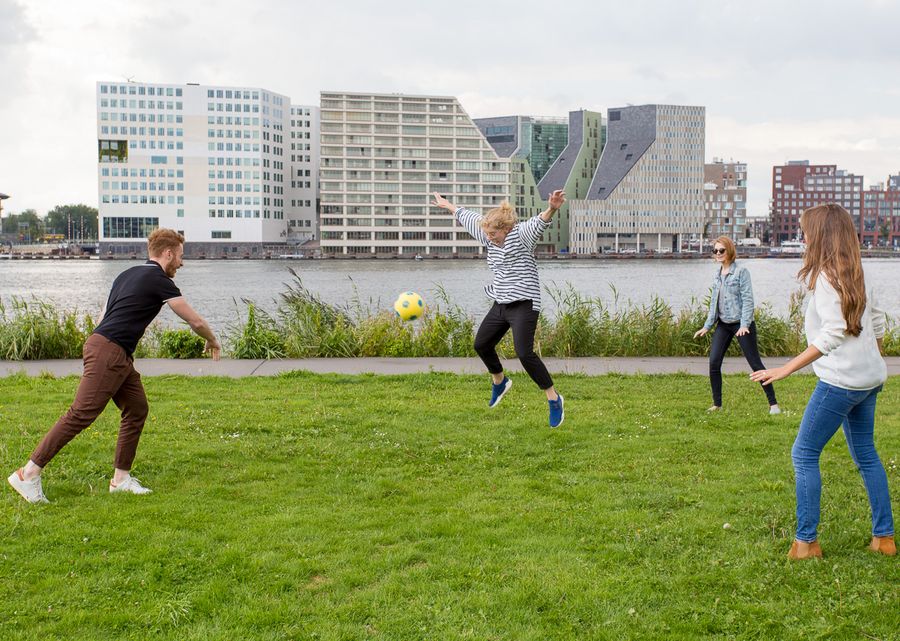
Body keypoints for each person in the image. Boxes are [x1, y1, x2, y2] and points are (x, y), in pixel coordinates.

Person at [8, 229, 221, 503]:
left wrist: (107, 348)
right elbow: (196, 322)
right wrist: (213, 340)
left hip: (109, 348)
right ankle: (28, 473)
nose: (181, 262)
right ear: (168, 254)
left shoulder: (126, 274)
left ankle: (120, 480)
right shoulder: (159, 279)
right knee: (81, 413)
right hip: (110, 352)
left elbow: (103, 314)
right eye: (180, 256)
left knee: (136, 408)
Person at [751, 204, 894, 558]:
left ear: (821, 237)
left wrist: (784, 369)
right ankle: (884, 539)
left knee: (803, 453)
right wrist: (875, 364)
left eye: (805, 232)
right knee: (866, 454)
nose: (802, 238)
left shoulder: (829, 279)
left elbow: (832, 334)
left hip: (841, 382)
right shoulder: (862, 271)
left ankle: (806, 542)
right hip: (868, 380)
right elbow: (876, 325)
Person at [431, 190, 566, 428]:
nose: (490, 238)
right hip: (501, 302)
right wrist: (448, 205)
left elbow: (539, 222)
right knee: (481, 344)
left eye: (494, 234)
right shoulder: (487, 235)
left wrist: (552, 208)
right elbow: (466, 216)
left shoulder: (521, 235)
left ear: (506, 228)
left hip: (524, 304)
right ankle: (500, 382)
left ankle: (554, 399)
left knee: (524, 353)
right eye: (488, 234)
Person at [693, 236, 780, 414]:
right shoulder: (717, 275)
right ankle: (717, 404)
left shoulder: (741, 272)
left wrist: (744, 324)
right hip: (723, 324)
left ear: (729, 251)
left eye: (721, 250)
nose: (718, 254)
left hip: (742, 325)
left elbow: (748, 300)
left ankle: (774, 405)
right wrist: (707, 326)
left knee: (755, 364)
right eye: (715, 251)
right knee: (714, 362)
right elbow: (713, 304)